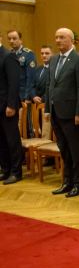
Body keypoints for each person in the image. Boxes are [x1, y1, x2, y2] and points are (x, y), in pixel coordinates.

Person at [45, 28, 79, 197]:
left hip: (71, 113)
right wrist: (48, 109)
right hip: (56, 112)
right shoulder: (54, 59)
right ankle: (67, 181)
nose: (58, 40)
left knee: (75, 149)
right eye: (56, 37)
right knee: (63, 149)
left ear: (71, 40)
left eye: (62, 37)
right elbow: (50, 85)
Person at [0, 37, 22, 184]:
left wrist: (12, 105)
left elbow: (14, 83)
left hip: (7, 106)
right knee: (1, 140)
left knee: (11, 140)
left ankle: (16, 172)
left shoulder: (8, 56)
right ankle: (5, 169)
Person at [7, 30, 36, 102]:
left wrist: (27, 96)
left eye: (14, 38)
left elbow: (31, 78)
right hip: (11, 95)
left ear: (20, 40)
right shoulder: (8, 54)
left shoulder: (28, 54)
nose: (11, 41)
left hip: (23, 95)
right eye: (9, 39)